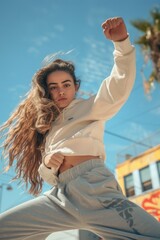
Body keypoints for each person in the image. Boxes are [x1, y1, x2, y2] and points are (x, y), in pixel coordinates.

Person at [0, 17, 160, 240]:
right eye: (54, 87)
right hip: (60, 197)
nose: (61, 91)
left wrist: (121, 43)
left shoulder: (91, 107)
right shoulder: (49, 127)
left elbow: (118, 86)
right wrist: (47, 163)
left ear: (76, 86)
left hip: (96, 190)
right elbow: (48, 174)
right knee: (4, 229)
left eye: (66, 85)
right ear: (48, 92)